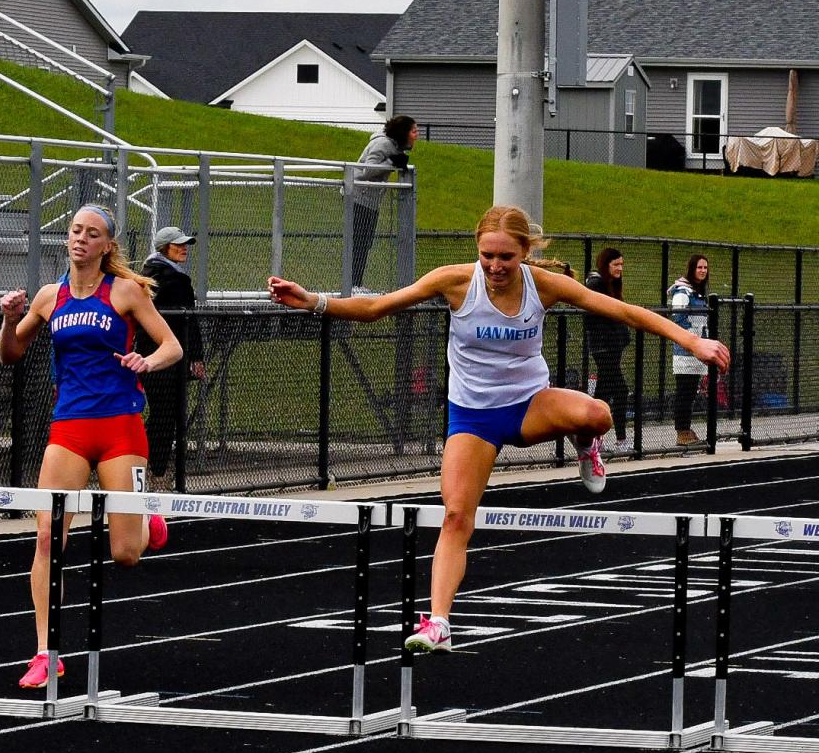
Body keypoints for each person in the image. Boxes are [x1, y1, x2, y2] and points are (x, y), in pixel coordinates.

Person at [267, 205, 730, 653]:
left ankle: (588, 446)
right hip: (473, 417)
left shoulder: (545, 285)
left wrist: (693, 340)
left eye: (505, 257)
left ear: (524, 253)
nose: (494, 266)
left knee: (598, 415)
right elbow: (378, 307)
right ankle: (439, 623)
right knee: (454, 516)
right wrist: (314, 301)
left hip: (530, 404)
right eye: (487, 255)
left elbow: (623, 311)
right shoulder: (455, 281)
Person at [0, 204, 183, 688]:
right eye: (76, 230)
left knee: (125, 554)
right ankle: (45, 651)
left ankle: (146, 522)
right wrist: (8, 319)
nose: (81, 238)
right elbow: (11, 354)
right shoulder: (48, 297)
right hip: (70, 429)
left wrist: (147, 362)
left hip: (121, 427)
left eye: (92, 233)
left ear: (107, 245)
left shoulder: (124, 290)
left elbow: (172, 346)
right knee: (46, 537)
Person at [136, 226, 206, 481]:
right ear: (165, 247)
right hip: (169, 357)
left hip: (148, 354)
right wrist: (196, 356)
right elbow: (188, 323)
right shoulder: (173, 280)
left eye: (185, 243)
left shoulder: (147, 276)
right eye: (178, 244)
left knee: (163, 413)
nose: (184, 248)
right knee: (166, 415)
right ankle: (155, 468)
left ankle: (149, 465)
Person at [351, 115, 418, 290]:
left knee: (365, 242)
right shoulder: (383, 144)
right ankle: (352, 284)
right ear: (403, 132)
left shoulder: (393, 146)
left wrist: (396, 160)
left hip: (369, 200)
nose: (416, 135)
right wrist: (391, 162)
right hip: (359, 197)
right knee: (360, 242)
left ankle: (356, 283)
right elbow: (367, 170)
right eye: (413, 131)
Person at [584, 248, 631, 454]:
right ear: (606, 264)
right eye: (615, 265)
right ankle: (617, 439)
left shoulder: (612, 285)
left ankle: (593, 438)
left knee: (604, 392)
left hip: (614, 345)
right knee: (619, 390)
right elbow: (598, 314)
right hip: (604, 346)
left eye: (621, 265)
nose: (619, 269)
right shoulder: (596, 284)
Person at [668, 253, 710, 446]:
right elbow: (678, 318)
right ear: (692, 269)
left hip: (698, 350)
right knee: (684, 391)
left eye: (705, 268)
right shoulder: (683, 292)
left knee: (691, 391)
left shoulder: (699, 292)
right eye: (699, 267)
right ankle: (681, 431)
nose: (702, 271)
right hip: (686, 351)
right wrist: (691, 339)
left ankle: (686, 428)